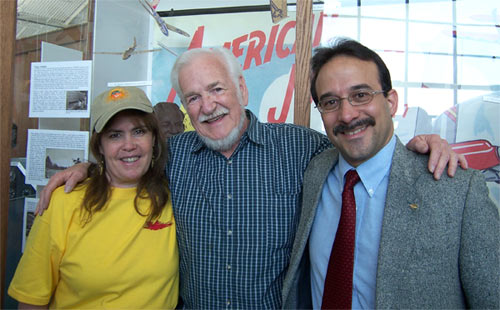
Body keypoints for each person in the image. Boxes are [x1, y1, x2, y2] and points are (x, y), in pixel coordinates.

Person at [36, 48, 465, 309]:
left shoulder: (301, 148)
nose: (208, 106)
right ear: (184, 107)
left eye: (217, 89)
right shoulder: (174, 155)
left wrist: (415, 145)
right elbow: (125, 157)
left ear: (241, 88)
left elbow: (358, 139)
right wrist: (86, 169)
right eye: (194, 97)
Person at [282, 39, 499, 309]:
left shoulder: (456, 191)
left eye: (360, 95)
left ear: (391, 101)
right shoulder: (314, 170)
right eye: (330, 102)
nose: (347, 115)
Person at [9, 87, 179, 309]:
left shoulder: (174, 192)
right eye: (114, 135)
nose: (129, 145)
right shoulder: (64, 201)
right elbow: (32, 300)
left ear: (154, 139)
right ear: (99, 145)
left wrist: (87, 167)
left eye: (139, 131)